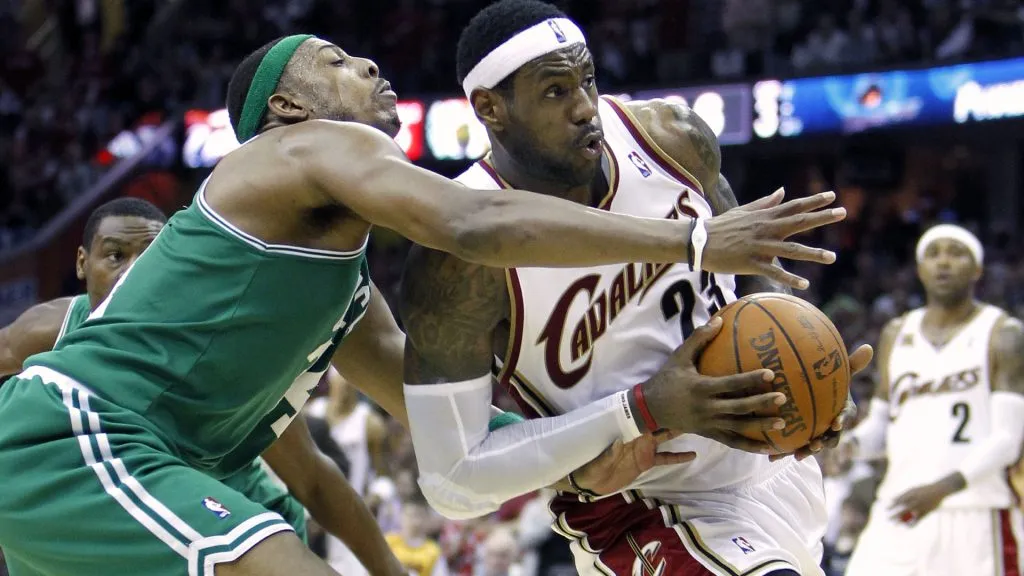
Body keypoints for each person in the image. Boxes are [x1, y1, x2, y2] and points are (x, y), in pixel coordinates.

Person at [0, 33, 845, 576]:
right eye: (332, 60)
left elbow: (431, 411)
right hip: (82, 438)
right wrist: (694, 241)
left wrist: (602, 439)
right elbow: (470, 219)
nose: (366, 64)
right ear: (287, 110)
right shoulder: (295, 151)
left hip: (137, 468)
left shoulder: (337, 285)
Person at [399, 2, 873, 574]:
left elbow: (753, 284)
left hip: (776, 463)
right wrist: (641, 409)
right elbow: (453, 482)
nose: (585, 109)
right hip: (643, 506)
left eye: (588, 80)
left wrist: (819, 378)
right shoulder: (460, 259)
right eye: (555, 92)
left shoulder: (671, 139)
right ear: (490, 108)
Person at [0, 197, 373, 559]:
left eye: (150, 258)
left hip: (242, 522)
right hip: (132, 521)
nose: (132, 272)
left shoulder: (217, 346)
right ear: (82, 263)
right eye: (116, 256)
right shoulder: (51, 329)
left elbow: (310, 473)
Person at [845, 224, 1024, 575]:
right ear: (919, 267)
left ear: (977, 270)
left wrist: (943, 488)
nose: (943, 262)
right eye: (933, 253)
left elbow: (1008, 439)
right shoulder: (897, 333)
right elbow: (880, 427)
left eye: (956, 253)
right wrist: (848, 444)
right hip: (901, 505)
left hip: (976, 508)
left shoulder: (1003, 333)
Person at [306, 367, 389, 574]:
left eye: (348, 384)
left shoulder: (370, 422)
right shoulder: (313, 412)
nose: (343, 389)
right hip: (315, 508)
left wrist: (372, 500)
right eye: (339, 383)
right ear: (331, 383)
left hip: (352, 508)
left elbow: (383, 475)